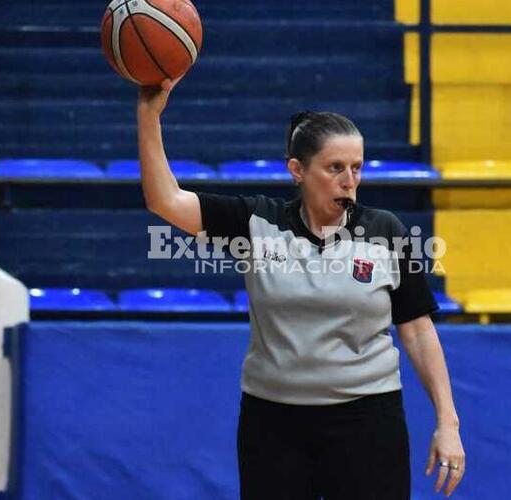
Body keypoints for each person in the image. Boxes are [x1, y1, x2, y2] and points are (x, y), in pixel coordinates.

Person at [137, 78, 465, 499]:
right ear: (297, 170)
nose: (349, 181)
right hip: (273, 423)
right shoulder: (257, 223)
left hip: (367, 420)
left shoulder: (385, 231)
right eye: (335, 168)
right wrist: (149, 114)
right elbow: (164, 200)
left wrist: (448, 423)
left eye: (357, 167)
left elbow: (417, 331)